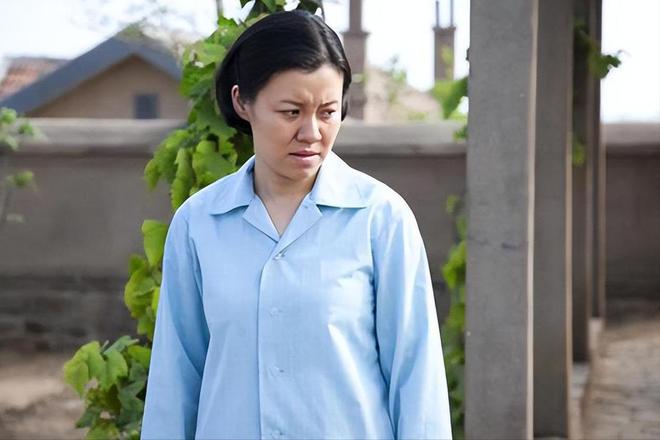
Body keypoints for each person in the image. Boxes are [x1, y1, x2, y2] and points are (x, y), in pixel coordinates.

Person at [141, 9, 452, 440]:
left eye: (328, 112)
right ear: (242, 102)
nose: (312, 132)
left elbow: (417, 380)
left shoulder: (380, 218)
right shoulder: (198, 223)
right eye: (291, 112)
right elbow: (175, 381)